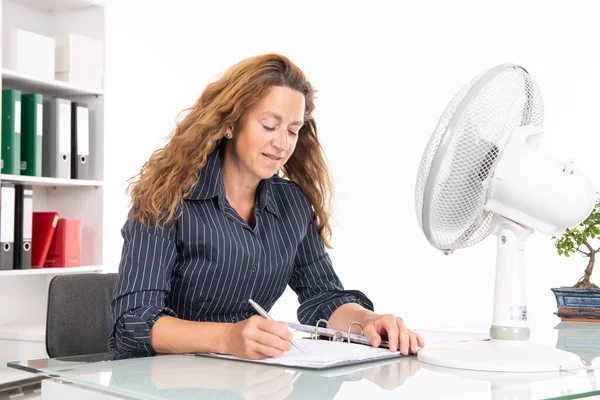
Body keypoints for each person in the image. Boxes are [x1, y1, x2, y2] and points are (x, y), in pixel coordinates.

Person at [109, 53, 424, 360]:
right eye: (270, 125)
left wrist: (368, 320)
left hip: (243, 378)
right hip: (157, 381)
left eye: (292, 130)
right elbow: (132, 322)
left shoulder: (291, 204)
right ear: (230, 124)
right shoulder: (167, 198)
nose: (283, 143)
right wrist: (227, 337)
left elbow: (323, 297)